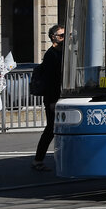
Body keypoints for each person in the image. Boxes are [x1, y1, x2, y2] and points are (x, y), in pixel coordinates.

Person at [32, 25, 64, 171]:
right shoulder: (51, 55)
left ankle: (40, 159)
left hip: (61, 96)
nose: (64, 38)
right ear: (53, 37)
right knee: (50, 129)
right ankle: (38, 160)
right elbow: (50, 80)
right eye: (61, 36)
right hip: (53, 98)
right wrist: (52, 101)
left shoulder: (62, 53)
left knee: (54, 129)